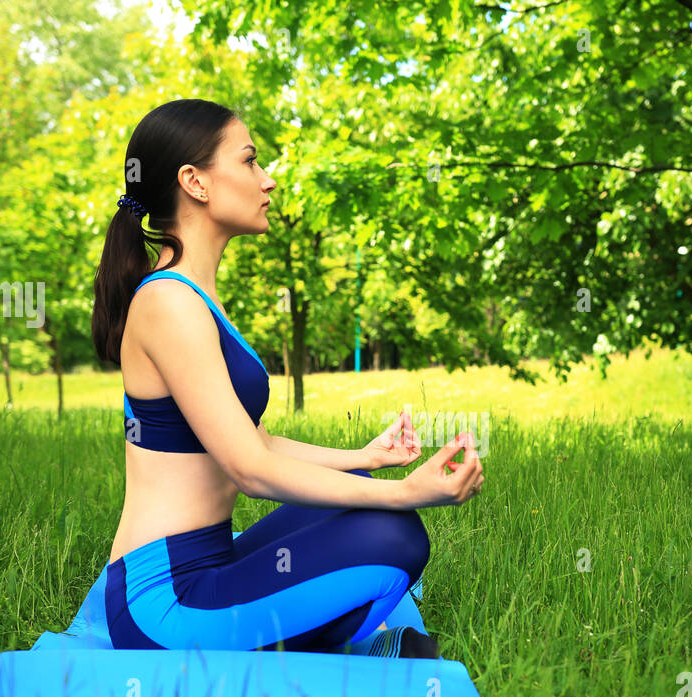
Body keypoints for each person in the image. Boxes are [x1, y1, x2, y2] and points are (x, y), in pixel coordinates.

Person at [89, 99, 484, 658]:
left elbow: (254, 443)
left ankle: (293, 641)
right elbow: (249, 469)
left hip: (209, 561)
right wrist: (406, 492)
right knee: (394, 533)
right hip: (165, 604)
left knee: (365, 505)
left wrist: (365, 460)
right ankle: (324, 649)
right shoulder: (168, 304)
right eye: (250, 161)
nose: (268, 180)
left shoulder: (192, 296)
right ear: (195, 182)